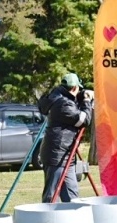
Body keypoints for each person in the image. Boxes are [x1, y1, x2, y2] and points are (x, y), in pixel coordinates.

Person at [38, 73, 94, 203]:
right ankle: (47, 220)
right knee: (51, 196)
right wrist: (86, 101)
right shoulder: (63, 104)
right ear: (74, 88)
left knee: (71, 195)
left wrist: (82, 96)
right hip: (57, 156)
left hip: (65, 154)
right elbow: (83, 120)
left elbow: (74, 104)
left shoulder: (59, 99)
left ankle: (72, 221)